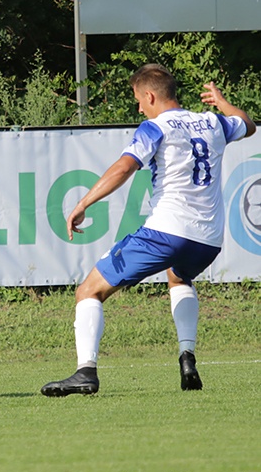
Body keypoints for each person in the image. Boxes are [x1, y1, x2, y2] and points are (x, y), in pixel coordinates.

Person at [41, 64, 256, 396]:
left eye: (139, 100)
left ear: (150, 95)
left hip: (167, 231)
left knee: (88, 291)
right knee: (179, 277)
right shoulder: (213, 122)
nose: (139, 108)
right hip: (209, 240)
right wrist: (220, 101)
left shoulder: (155, 127)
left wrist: (84, 202)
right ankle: (187, 355)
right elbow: (247, 125)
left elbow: (125, 166)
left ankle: (85, 372)